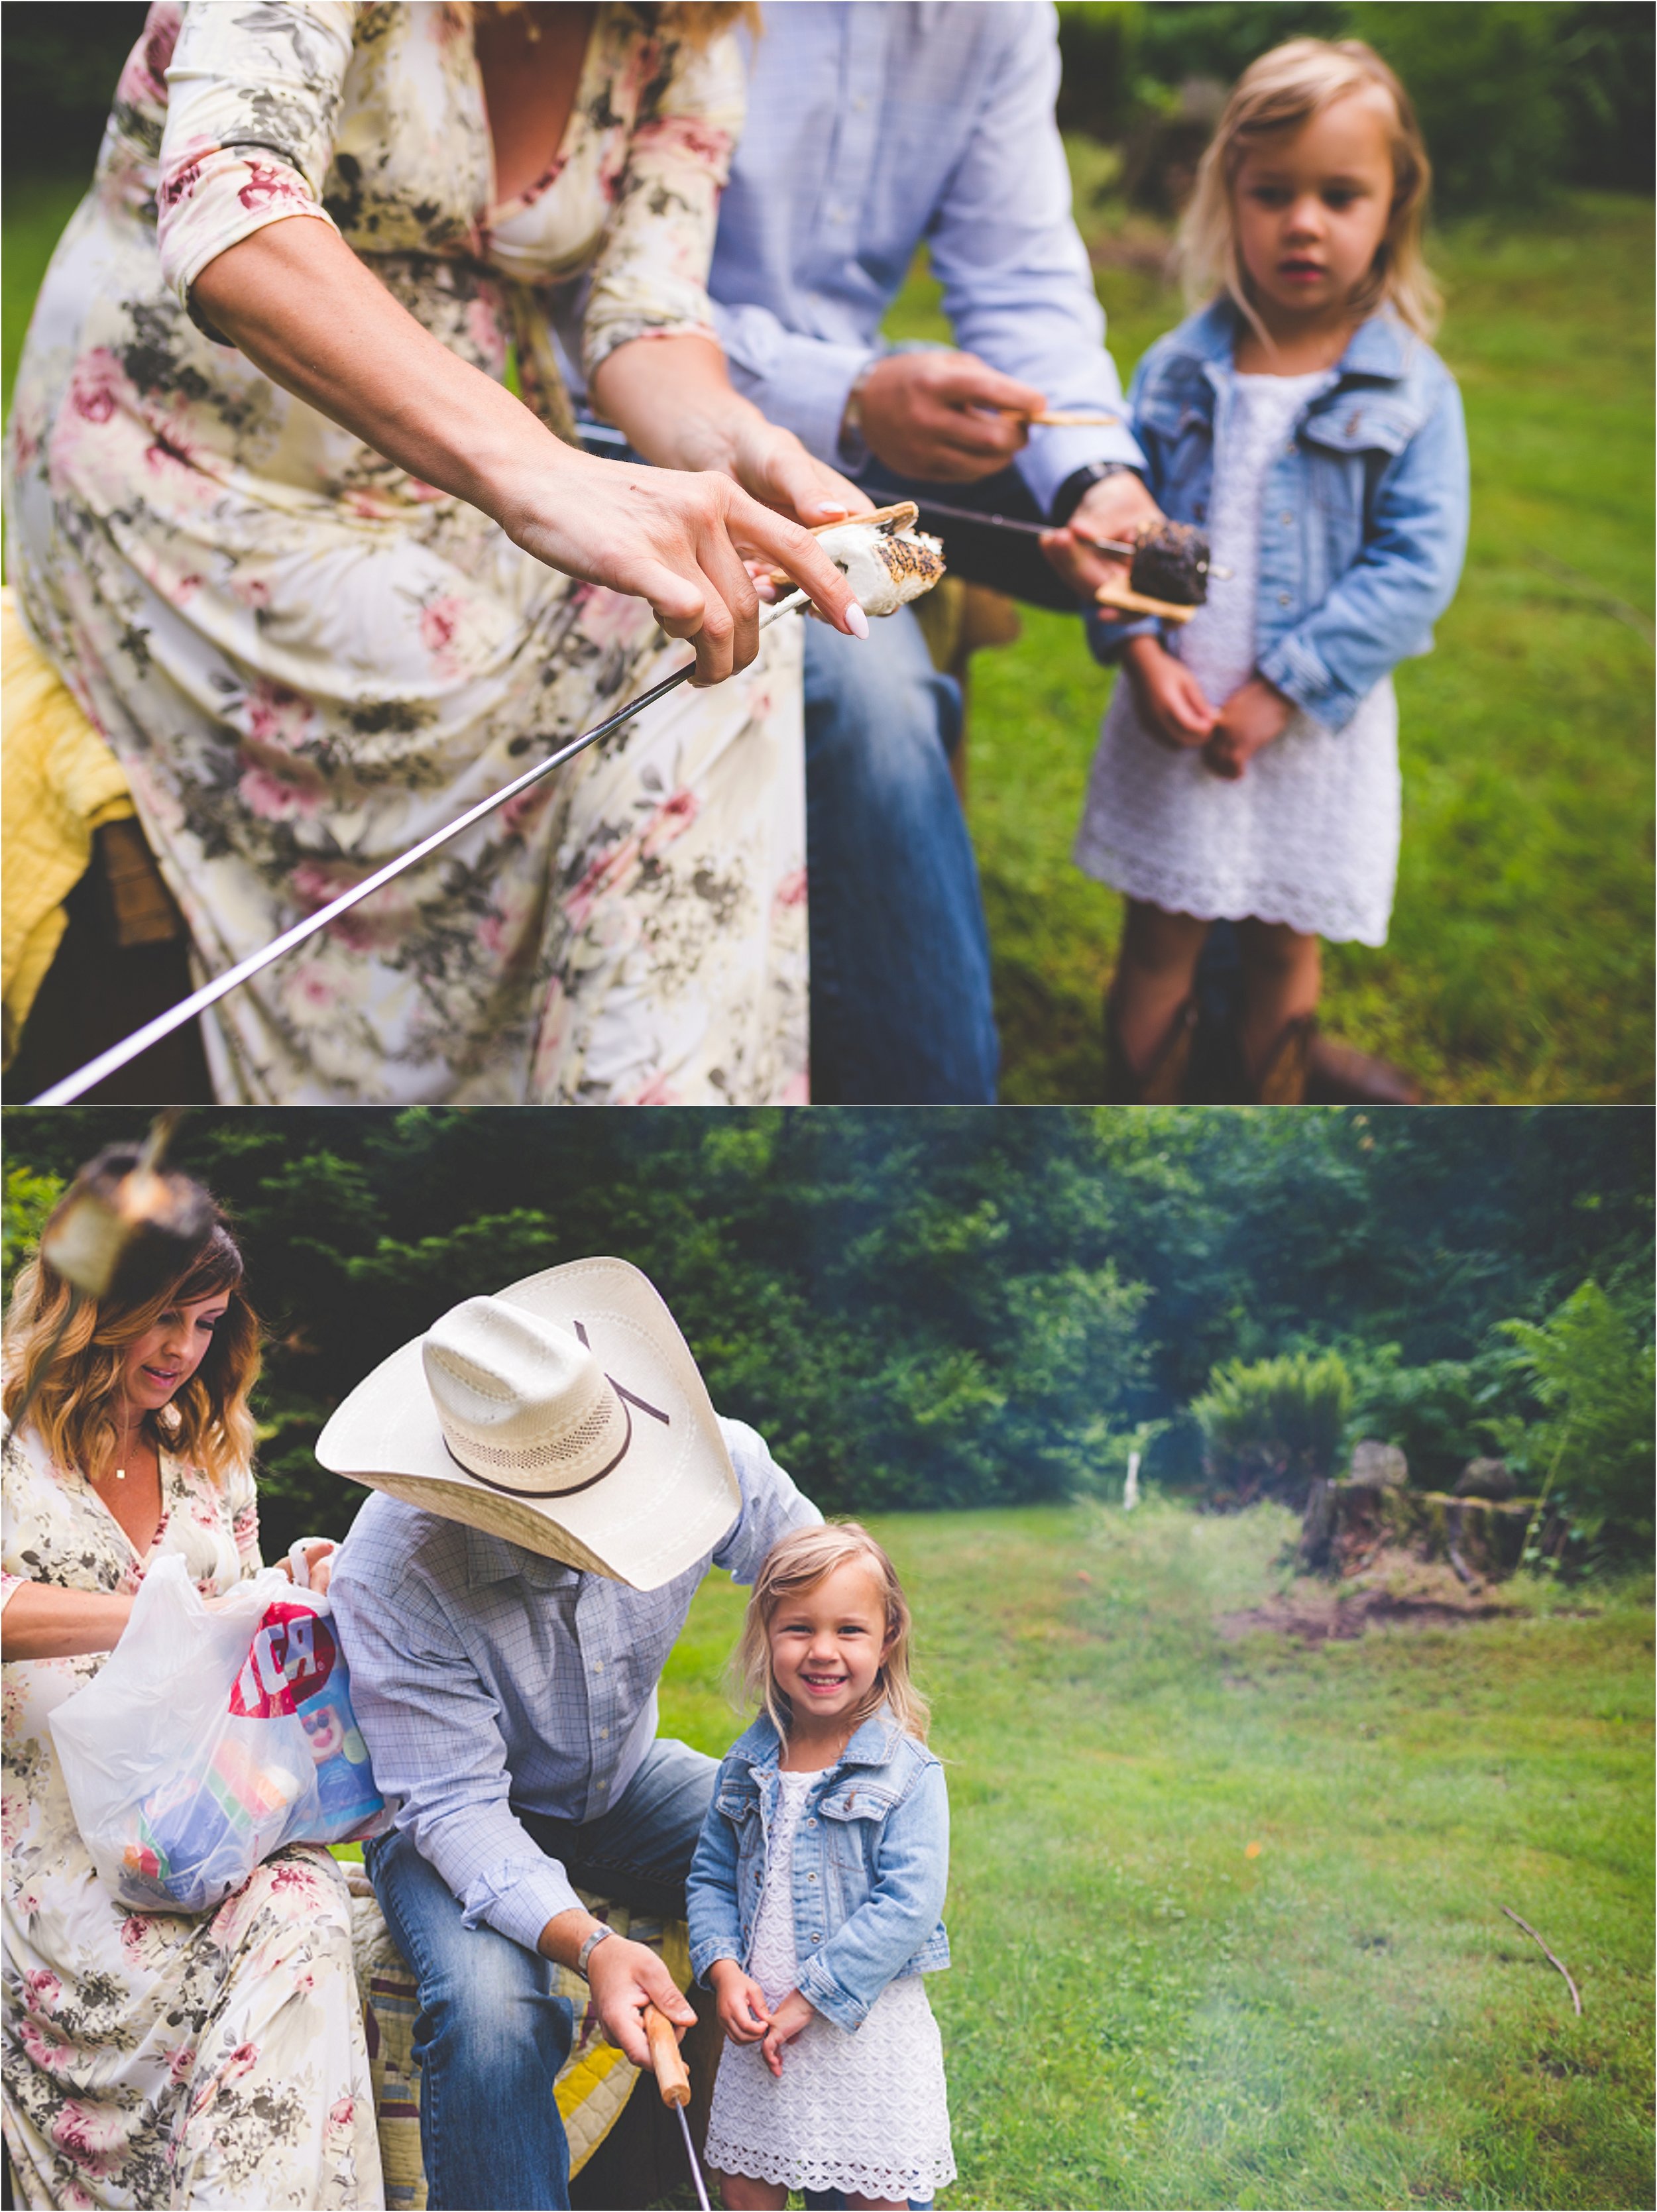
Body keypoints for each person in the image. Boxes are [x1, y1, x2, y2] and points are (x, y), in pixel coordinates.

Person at [4, 1, 868, 1107]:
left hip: (458, 486)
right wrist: (538, 472)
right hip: (186, 478)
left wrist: (747, 445)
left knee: (718, 623)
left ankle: (644, 1146)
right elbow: (233, 196)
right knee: (555, 647)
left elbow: (648, 319)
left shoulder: (686, 26)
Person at [708, 1, 1162, 1103]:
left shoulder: (998, 18)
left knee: (1183, 529)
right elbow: (597, 300)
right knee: (866, 686)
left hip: (860, 420)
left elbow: (1022, 282)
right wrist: (848, 398)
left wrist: (1103, 479)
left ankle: (1226, 966)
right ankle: (942, 1111)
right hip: (649, 426)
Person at [321, 1257, 823, 2211]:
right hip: (446, 1825)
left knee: (823, 1866)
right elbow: (459, 1809)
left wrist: (807, 1769)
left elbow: (831, 1590)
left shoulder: (711, 1460)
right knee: (495, 2018)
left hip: (624, 1783)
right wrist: (592, 1945)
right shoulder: (392, 1570)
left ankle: (754, 2186)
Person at [1072, 38, 1469, 1104]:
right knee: (1160, 937)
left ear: (1395, 204)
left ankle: (1263, 1147)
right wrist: (1143, 655)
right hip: (1178, 708)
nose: (1304, 222)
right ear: (1227, 198)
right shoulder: (1175, 371)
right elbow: (1132, 536)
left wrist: (1282, 690)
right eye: (1274, 192)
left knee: (1287, 946)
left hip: (1312, 730)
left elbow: (1416, 566)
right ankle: (1143, 1139)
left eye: (1341, 195)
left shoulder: (1415, 391)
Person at [1, 1153, 380, 2210]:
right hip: (48, 1839)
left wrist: (291, 1586)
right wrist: (155, 1621)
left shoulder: (209, 1449)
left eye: (207, 1321)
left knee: (305, 1900)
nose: (182, 1350)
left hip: (199, 1817)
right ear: (89, 1301)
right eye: (163, 1317)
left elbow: (239, 1614)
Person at [687, 1522, 953, 2211]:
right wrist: (723, 1970)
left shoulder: (907, 1771)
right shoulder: (746, 1764)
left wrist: (813, 1995)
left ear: (887, 1636)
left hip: (860, 2034)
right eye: (799, 1627)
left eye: (850, 1630)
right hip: (760, 2027)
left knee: (869, 2194)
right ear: (766, 1632)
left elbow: (908, 1903)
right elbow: (711, 1878)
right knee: (749, 2183)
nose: (823, 1651)